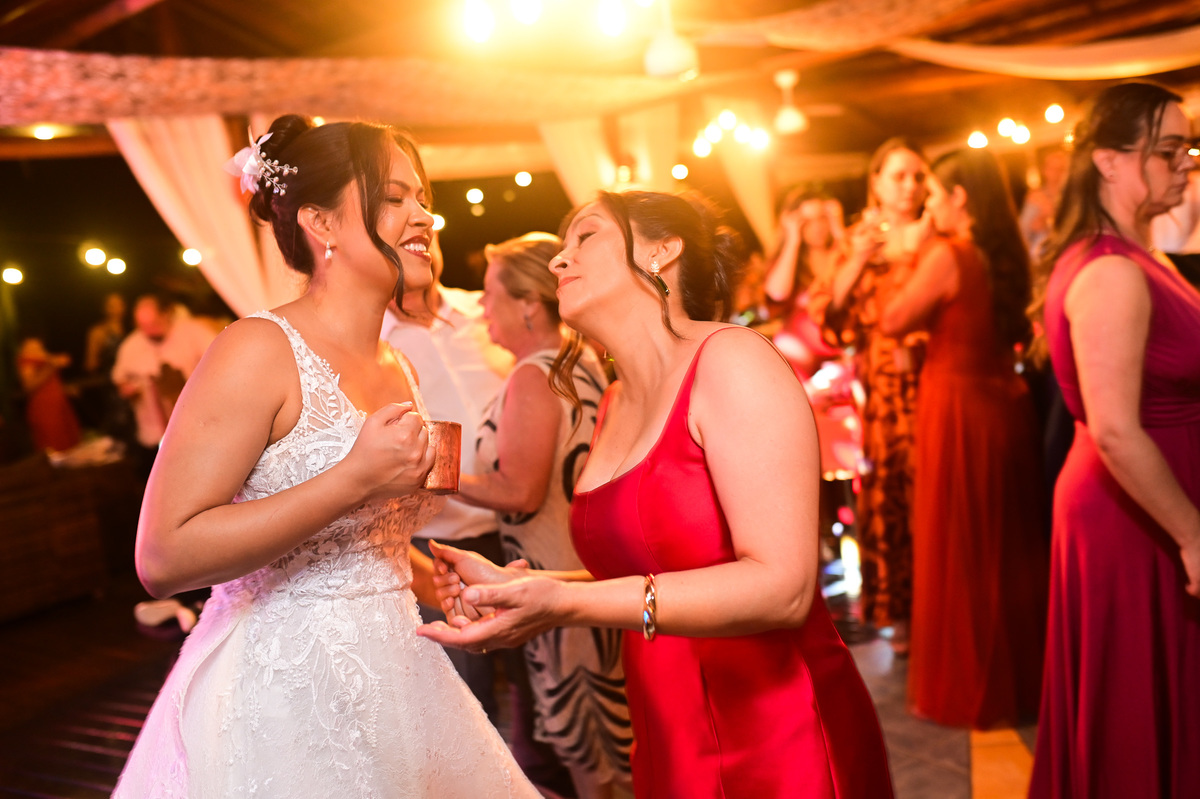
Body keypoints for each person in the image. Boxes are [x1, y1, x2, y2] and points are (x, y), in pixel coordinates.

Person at [113, 115, 539, 798]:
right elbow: (161, 557)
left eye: (424, 197)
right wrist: (352, 477)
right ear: (322, 222)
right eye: (395, 197)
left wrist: (447, 585)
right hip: (282, 694)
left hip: (402, 674)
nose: (424, 216)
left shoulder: (399, 364)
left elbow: (369, 543)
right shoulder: (255, 350)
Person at [421, 190, 894, 798]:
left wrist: (562, 607)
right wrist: (528, 591)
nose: (560, 262)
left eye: (585, 238)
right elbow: (662, 574)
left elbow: (784, 588)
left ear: (662, 252)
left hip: (774, 736)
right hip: (667, 733)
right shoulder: (616, 400)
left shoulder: (731, 361)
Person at [1027, 82, 1200, 798]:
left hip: (1143, 500)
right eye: (1166, 151)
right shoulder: (1109, 272)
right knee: (1139, 707)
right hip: (1136, 513)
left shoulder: (1137, 254)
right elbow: (1118, 429)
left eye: (1188, 148)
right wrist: (1192, 535)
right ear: (1106, 160)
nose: (1185, 165)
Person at [382, 232, 575, 797]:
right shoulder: (373, 342)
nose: (421, 242)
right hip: (437, 546)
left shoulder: (487, 310)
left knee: (548, 692)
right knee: (466, 701)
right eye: (403, 236)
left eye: (427, 232)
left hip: (523, 530)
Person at [455, 232, 631, 799]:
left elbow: (521, 490)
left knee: (593, 758)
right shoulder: (580, 362)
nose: (482, 308)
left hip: (557, 580)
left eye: (489, 294)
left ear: (528, 303)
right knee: (616, 749)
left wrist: (427, 474)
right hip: (594, 568)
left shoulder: (535, 374)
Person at [879, 147, 1048, 728]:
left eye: (935, 195)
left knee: (961, 547)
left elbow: (893, 320)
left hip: (955, 409)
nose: (928, 204)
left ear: (960, 199)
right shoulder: (1001, 255)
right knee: (1004, 549)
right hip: (1004, 407)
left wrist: (907, 255)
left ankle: (972, 684)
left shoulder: (947, 254)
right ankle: (1019, 680)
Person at [808, 138, 929, 653]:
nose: (910, 187)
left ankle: (943, 607)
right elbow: (826, 322)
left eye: (918, 177)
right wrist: (855, 262)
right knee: (891, 496)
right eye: (899, 176)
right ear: (875, 182)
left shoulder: (936, 234)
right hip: (881, 384)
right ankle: (899, 615)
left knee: (938, 490)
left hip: (934, 374)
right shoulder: (858, 242)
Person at [111, 293, 217, 477]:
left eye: (153, 324)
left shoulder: (194, 332)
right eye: (142, 326)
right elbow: (120, 378)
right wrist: (128, 389)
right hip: (156, 430)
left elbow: (221, 360)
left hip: (201, 427)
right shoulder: (131, 345)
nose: (148, 331)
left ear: (166, 314)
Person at [763, 191, 847, 378]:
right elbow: (777, 293)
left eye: (821, 218)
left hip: (843, 359)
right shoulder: (791, 262)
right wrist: (792, 239)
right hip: (800, 365)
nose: (817, 227)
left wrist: (838, 229)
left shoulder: (841, 253)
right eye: (807, 221)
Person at [16, 336, 81, 452]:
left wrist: (65, 390)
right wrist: (52, 366)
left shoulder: (46, 358)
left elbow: (49, 383)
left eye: (39, 347)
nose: (37, 349)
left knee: (69, 443)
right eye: (33, 347)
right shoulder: (26, 361)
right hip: (44, 409)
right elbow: (29, 385)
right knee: (54, 446)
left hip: (59, 406)